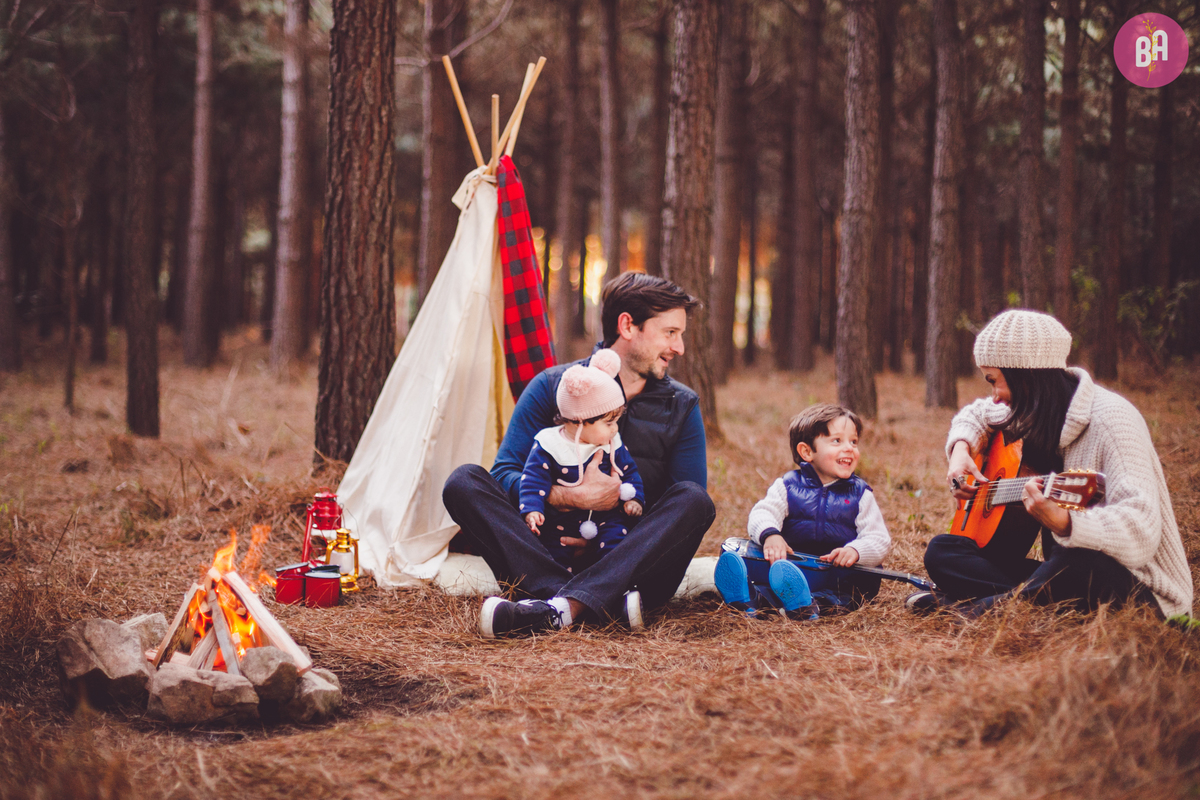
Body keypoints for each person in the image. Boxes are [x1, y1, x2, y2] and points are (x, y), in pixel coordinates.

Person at [442, 272, 715, 638]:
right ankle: (597, 603)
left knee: (696, 501)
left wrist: (609, 532)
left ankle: (555, 608)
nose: (679, 347)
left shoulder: (681, 406)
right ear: (627, 326)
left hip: (627, 558)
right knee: (463, 482)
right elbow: (505, 472)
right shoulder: (554, 387)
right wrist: (566, 498)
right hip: (549, 550)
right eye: (670, 333)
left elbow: (679, 510)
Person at [910, 309, 1193, 620]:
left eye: (995, 381)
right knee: (944, 551)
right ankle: (1025, 602)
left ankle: (968, 609)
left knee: (1074, 565)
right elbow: (978, 413)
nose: (994, 395)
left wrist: (1067, 523)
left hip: (1141, 588)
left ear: (1027, 378)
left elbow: (1142, 529)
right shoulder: (1034, 408)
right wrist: (962, 449)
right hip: (1061, 576)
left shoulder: (1112, 421)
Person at [715, 403, 892, 619]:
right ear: (806, 451)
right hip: (793, 569)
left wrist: (855, 551)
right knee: (771, 569)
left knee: (857, 585)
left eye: (853, 442)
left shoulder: (860, 494)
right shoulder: (788, 486)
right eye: (837, 441)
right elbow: (763, 512)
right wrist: (771, 535)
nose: (849, 448)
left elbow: (879, 538)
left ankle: (807, 605)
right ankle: (748, 598)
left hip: (838, 576)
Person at [519, 348, 645, 569]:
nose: (615, 429)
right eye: (608, 422)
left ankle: (612, 578)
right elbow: (532, 479)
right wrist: (532, 509)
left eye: (616, 420)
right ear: (579, 421)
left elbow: (629, 471)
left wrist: (634, 499)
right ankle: (559, 588)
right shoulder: (550, 445)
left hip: (606, 517)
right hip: (561, 522)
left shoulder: (611, 443)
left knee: (617, 538)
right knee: (551, 549)